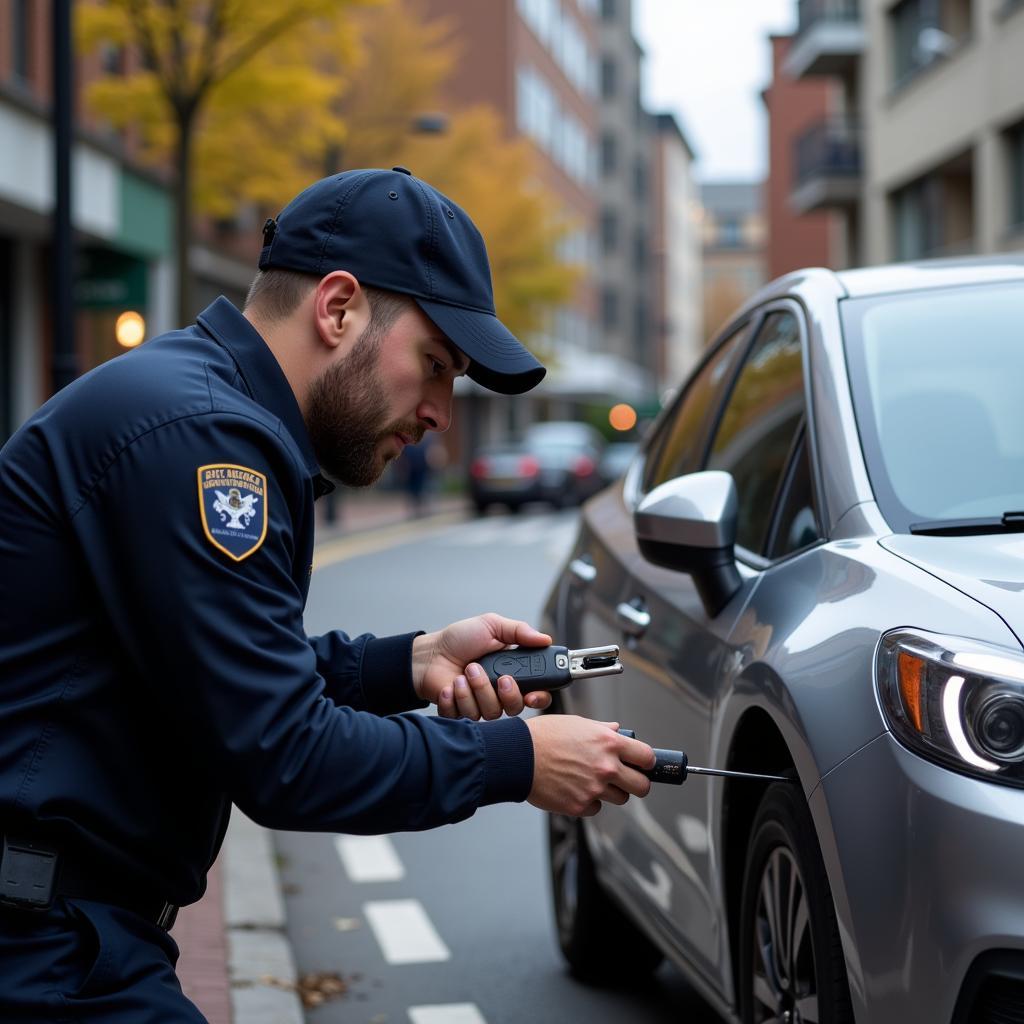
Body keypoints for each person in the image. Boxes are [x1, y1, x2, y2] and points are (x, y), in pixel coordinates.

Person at [0, 167, 655, 1022]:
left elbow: (216, 670)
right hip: (43, 951)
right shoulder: (208, 441)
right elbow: (285, 757)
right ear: (338, 308)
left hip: (62, 929)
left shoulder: (199, 406)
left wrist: (407, 663)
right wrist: (522, 760)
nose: (440, 415)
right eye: (433, 365)